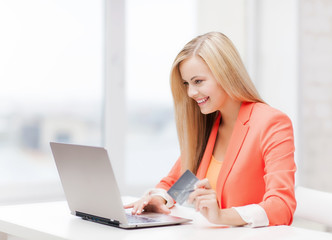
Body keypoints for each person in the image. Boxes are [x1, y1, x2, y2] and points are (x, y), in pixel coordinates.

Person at [124, 32, 296, 227]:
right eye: (186, 84)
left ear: (226, 74)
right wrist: (159, 199)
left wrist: (222, 216)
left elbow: (282, 206)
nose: (190, 92)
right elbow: (177, 183)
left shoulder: (272, 123)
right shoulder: (209, 125)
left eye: (198, 81)